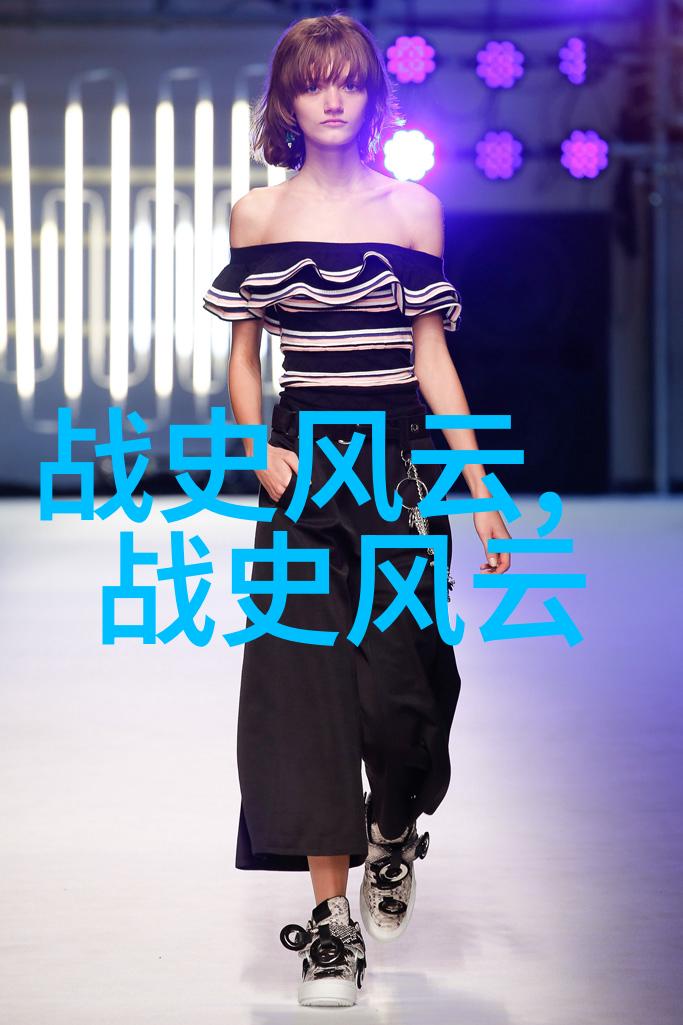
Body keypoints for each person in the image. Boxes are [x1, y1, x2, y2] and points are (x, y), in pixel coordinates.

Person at [202, 11, 512, 1009]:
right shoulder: (257, 216)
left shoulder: (413, 210)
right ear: (286, 101)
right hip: (300, 470)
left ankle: (392, 829)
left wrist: (480, 483)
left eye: (346, 81)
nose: (329, 98)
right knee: (304, 696)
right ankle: (330, 926)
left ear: (371, 95)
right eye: (310, 83)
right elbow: (244, 356)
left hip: (397, 470)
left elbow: (430, 357)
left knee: (403, 692)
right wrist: (257, 449)